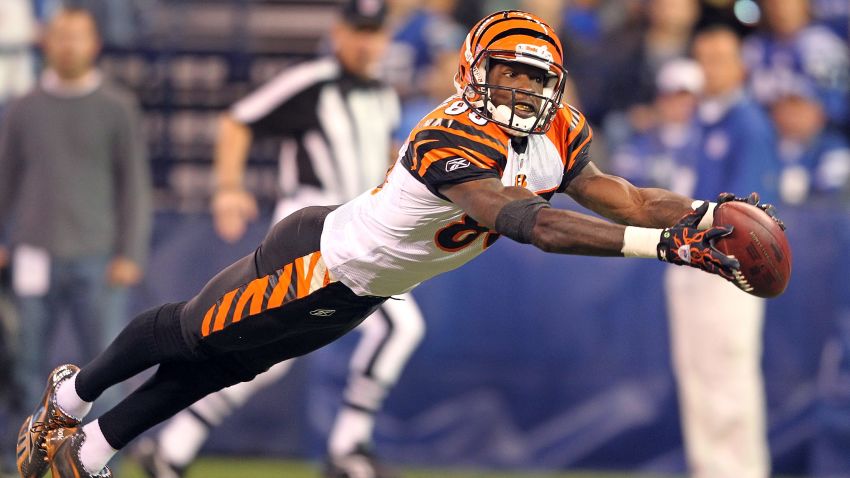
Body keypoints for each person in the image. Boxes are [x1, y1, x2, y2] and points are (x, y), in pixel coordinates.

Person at [16, 10, 783, 478]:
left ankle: (86, 456)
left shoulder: (557, 130)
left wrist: (702, 211)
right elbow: (530, 224)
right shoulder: (448, 134)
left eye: (533, 78)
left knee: (217, 365)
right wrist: (665, 249)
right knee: (191, 332)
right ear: (472, 73)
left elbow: (629, 196)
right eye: (508, 75)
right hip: (321, 262)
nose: (522, 91)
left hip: (363, 288)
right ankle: (68, 396)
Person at [132, 1, 424, 477]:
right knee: (396, 328)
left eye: (374, 32)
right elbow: (238, 119)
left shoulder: (384, 95)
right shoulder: (311, 81)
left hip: (359, 229)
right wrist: (228, 188)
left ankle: (172, 448)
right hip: (313, 229)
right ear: (338, 32)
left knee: (272, 352)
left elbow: (379, 158)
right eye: (358, 31)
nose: (366, 42)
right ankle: (348, 449)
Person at [0, 5, 150, 470]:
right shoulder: (22, 108)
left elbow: (134, 186)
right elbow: (5, 178)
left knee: (107, 367)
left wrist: (130, 251)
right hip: (32, 252)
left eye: (77, 36)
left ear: (94, 44)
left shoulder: (117, 107)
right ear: (45, 42)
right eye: (60, 36)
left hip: (98, 256)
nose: (68, 45)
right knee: (27, 365)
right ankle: (21, 458)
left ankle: (101, 459)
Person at [664, 26, 781, 478]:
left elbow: (749, 215)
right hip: (688, 260)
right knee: (696, 377)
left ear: (740, 66)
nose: (710, 68)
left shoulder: (748, 123)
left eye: (720, 58)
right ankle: (708, 468)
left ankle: (742, 471)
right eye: (703, 58)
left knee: (728, 377)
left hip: (728, 266)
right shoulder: (700, 120)